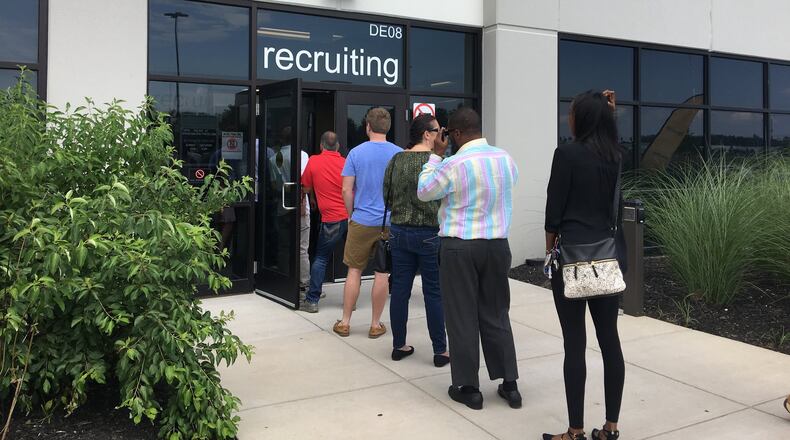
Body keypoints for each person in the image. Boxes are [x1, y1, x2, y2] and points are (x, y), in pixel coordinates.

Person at [417, 107, 521, 411]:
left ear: (457, 133)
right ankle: (510, 384)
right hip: (497, 245)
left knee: (461, 315)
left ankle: (468, 388)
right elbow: (508, 186)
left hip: (459, 245)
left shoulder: (452, 163)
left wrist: (435, 155)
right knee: (497, 312)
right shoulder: (505, 159)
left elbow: (424, 191)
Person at [542, 90, 626, 440]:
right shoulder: (615, 155)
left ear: (581, 118)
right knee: (610, 341)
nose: (568, 118)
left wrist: (550, 256)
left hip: (573, 257)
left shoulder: (567, 153)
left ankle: (574, 430)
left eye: (572, 112)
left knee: (574, 343)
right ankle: (610, 427)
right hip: (608, 255)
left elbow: (553, 213)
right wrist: (611, 112)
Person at [384, 114, 450, 367]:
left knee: (400, 290)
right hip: (430, 232)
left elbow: (386, 196)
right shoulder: (437, 162)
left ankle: (399, 345)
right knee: (433, 292)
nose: (441, 136)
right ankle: (440, 350)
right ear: (427, 134)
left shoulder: (397, 159)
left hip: (399, 230)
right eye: (438, 131)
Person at [333, 108, 401, 338]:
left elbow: (346, 189)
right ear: (388, 127)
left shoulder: (355, 153)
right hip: (389, 222)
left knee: (354, 270)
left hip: (361, 219)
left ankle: (345, 322)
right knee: (382, 274)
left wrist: (350, 214)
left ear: (368, 127)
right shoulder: (399, 154)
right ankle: (375, 324)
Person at [300, 131, 347, 313]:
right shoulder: (345, 163)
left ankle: (312, 301)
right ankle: (351, 301)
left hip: (331, 219)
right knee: (354, 263)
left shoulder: (313, 161)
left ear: (321, 146)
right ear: (338, 147)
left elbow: (305, 186)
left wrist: (313, 196)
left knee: (320, 258)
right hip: (351, 218)